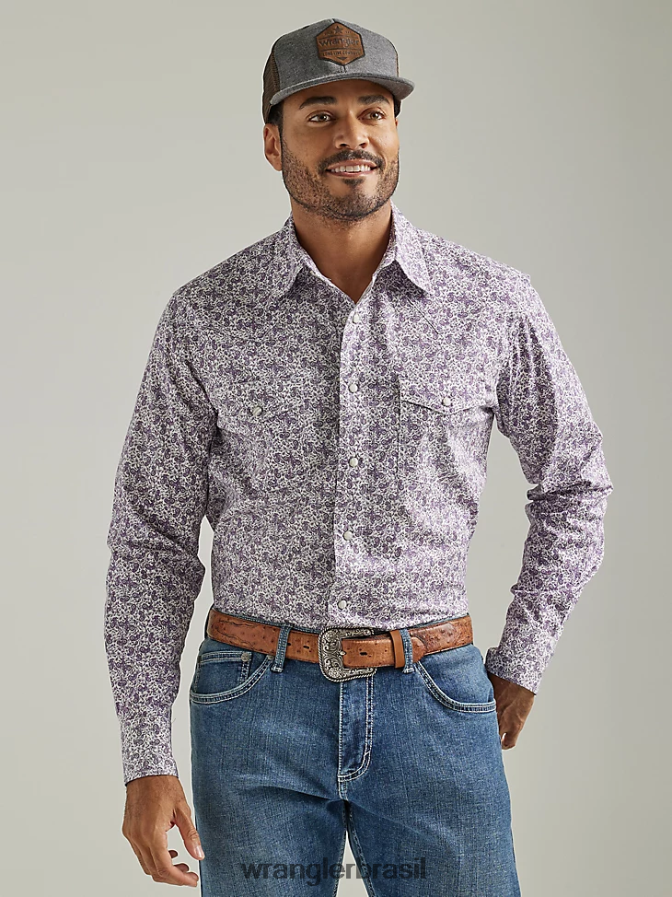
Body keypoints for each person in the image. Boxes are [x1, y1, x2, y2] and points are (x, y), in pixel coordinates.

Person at [104, 18, 613, 896]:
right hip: (252, 708)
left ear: (397, 131)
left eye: (373, 111)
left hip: (437, 699)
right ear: (274, 143)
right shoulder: (206, 315)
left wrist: (523, 654)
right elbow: (152, 538)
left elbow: (575, 482)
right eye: (320, 114)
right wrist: (145, 754)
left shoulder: (491, 301)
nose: (353, 135)